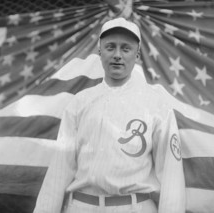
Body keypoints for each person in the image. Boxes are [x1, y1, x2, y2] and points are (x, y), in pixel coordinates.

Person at [33, 17, 185, 213]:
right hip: (81, 206)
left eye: (126, 48)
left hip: (134, 206)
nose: (117, 55)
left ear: (137, 54)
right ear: (100, 52)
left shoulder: (156, 104)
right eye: (110, 47)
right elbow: (60, 169)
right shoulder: (80, 102)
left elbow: (171, 175)